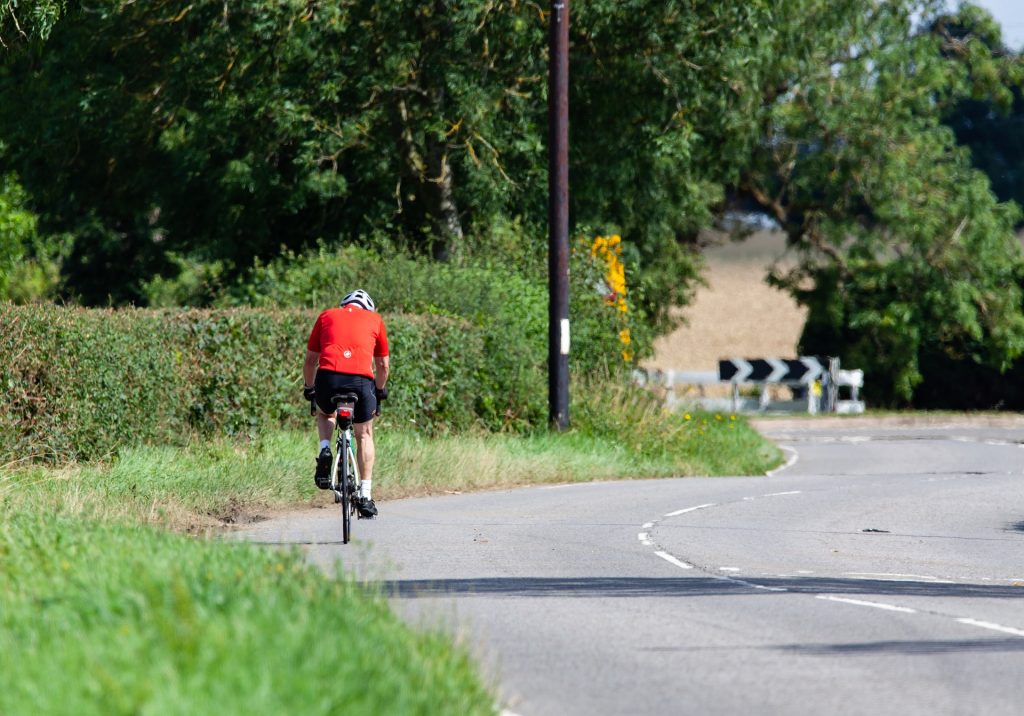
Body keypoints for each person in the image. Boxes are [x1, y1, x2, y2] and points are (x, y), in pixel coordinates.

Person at [302, 288, 389, 518]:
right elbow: (383, 366)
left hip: (328, 378)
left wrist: (309, 389)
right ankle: (366, 496)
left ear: (344, 305)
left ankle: (324, 450)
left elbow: (311, 361)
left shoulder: (326, 315)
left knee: (325, 413)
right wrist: (379, 392)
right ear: (368, 309)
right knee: (364, 433)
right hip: (361, 382)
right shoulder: (375, 320)